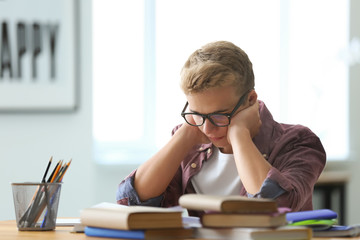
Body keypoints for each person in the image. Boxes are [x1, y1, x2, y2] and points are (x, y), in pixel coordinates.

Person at [116, 41, 326, 216]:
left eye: (219, 115)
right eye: (197, 114)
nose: (207, 128)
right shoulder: (190, 138)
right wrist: (185, 134)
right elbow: (132, 203)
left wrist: (239, 134)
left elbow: (275, 208)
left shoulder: (299, 142)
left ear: (251, 99)